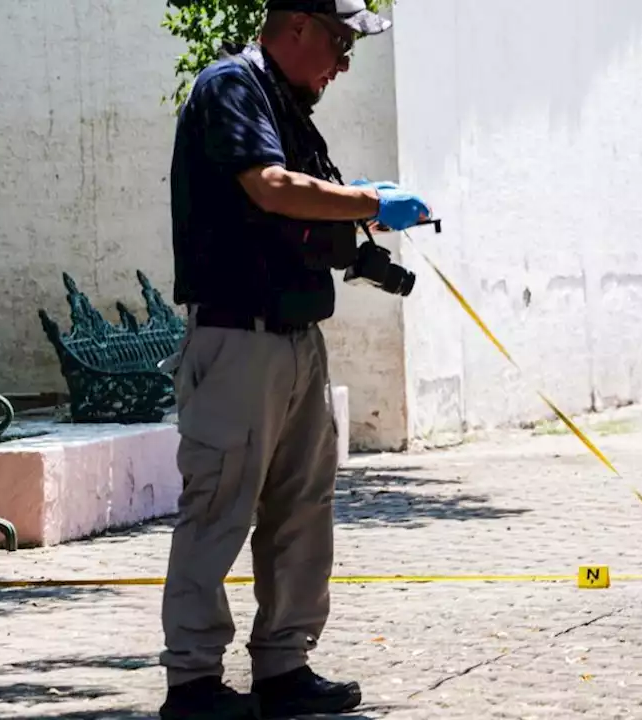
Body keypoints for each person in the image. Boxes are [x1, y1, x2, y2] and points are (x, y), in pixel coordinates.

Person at [159, 2, 432, 718]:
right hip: (236, 338)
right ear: (297, 25)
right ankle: (191, 682)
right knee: (218, 508)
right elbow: (270, 189)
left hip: (295, 337)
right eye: (340, 44)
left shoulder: (288, 105)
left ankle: (284, 667)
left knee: (302, 511)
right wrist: (370, 202)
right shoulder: (232, 87)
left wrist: (365, 236)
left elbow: (308, 223)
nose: (343, 64)